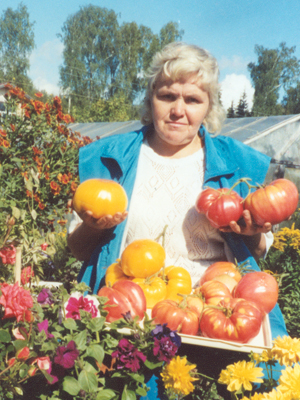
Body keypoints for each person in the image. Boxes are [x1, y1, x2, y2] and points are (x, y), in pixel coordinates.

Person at [67, 42, 287, 399]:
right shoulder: (109, 159)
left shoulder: (239, 164)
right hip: (129, 316)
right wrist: (93, 228)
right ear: (151, 98)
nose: (178, 110)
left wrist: (250, 233)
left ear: (209, 107)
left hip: (212, 319)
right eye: (167, 95)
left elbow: (259, 250)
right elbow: (76, 250)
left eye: (193, 100)